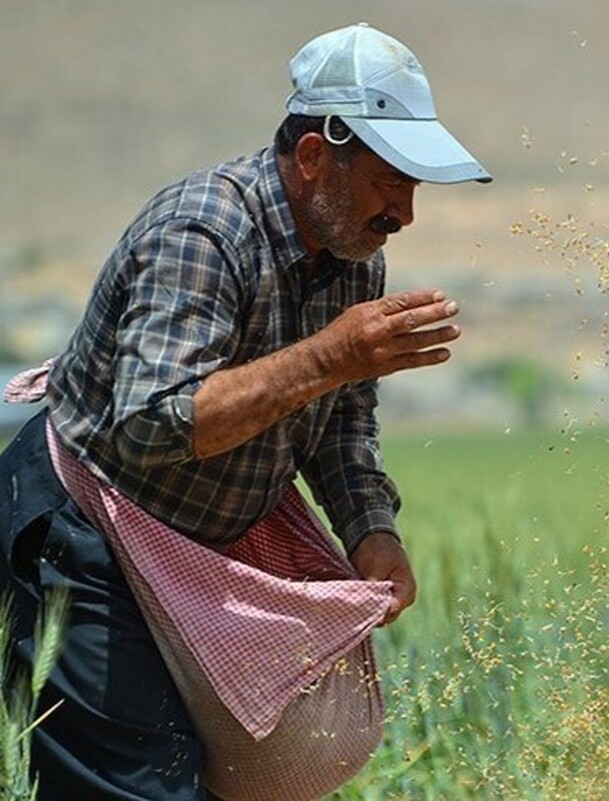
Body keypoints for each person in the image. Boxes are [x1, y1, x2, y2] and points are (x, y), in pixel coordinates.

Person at [0, 22, 489, 800]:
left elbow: (343, 424)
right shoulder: (204, 231)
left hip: (195, 550)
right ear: (313, 157)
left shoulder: (356, 259)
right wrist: (331, 354)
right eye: (390, 181)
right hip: (87, 533)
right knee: (141, 789)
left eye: (412, 187)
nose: (404, 211)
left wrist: (371, 530)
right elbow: (153, 423)